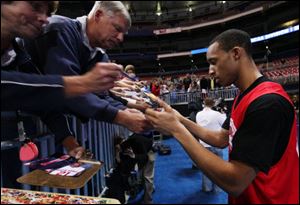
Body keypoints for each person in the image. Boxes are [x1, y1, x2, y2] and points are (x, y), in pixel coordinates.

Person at [145, 29, 299, 203]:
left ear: (235, 53)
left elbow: (235, 182)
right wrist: (179, 118)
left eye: (214, 62)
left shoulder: (267, 103)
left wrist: (177, 130)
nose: (210, 71)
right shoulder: (243, 95)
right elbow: (221, 138)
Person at [24, 1, 151, 133]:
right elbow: (69, 89)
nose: (121, 38)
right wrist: (119, 116)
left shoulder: (100, 55)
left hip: (45, 121)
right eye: (117, 29)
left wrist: (124, 110)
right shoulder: (60, 28)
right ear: (98, 15)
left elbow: (102, 95)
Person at [1, 1, 123, 112]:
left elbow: (41, 97)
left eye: (47, 13)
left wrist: (64, 135)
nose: (44, 19)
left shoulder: (19, 55)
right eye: (35, 7)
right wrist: (82, 83)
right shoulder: (60, 29)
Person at [195, 97, 226, 193]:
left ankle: (206, 188)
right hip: (215, 143)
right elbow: (225, 124)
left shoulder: (198, 114)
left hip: (203, 145)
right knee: (218, 167)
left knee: (206, 168)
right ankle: (218, 189)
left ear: (204, 104)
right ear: (213, 104)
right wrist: (223, 113)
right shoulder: (217, 114)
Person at [114, 134, 155, 204]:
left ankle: (148, 200)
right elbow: (119, 151)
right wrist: (117, 154)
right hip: (140, 153)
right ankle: (150, 189)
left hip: (148, 153)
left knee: (147, 177)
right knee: (142, 174)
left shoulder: (136, 141)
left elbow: (145, 158)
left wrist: (134, 156)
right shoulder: (124, 147)